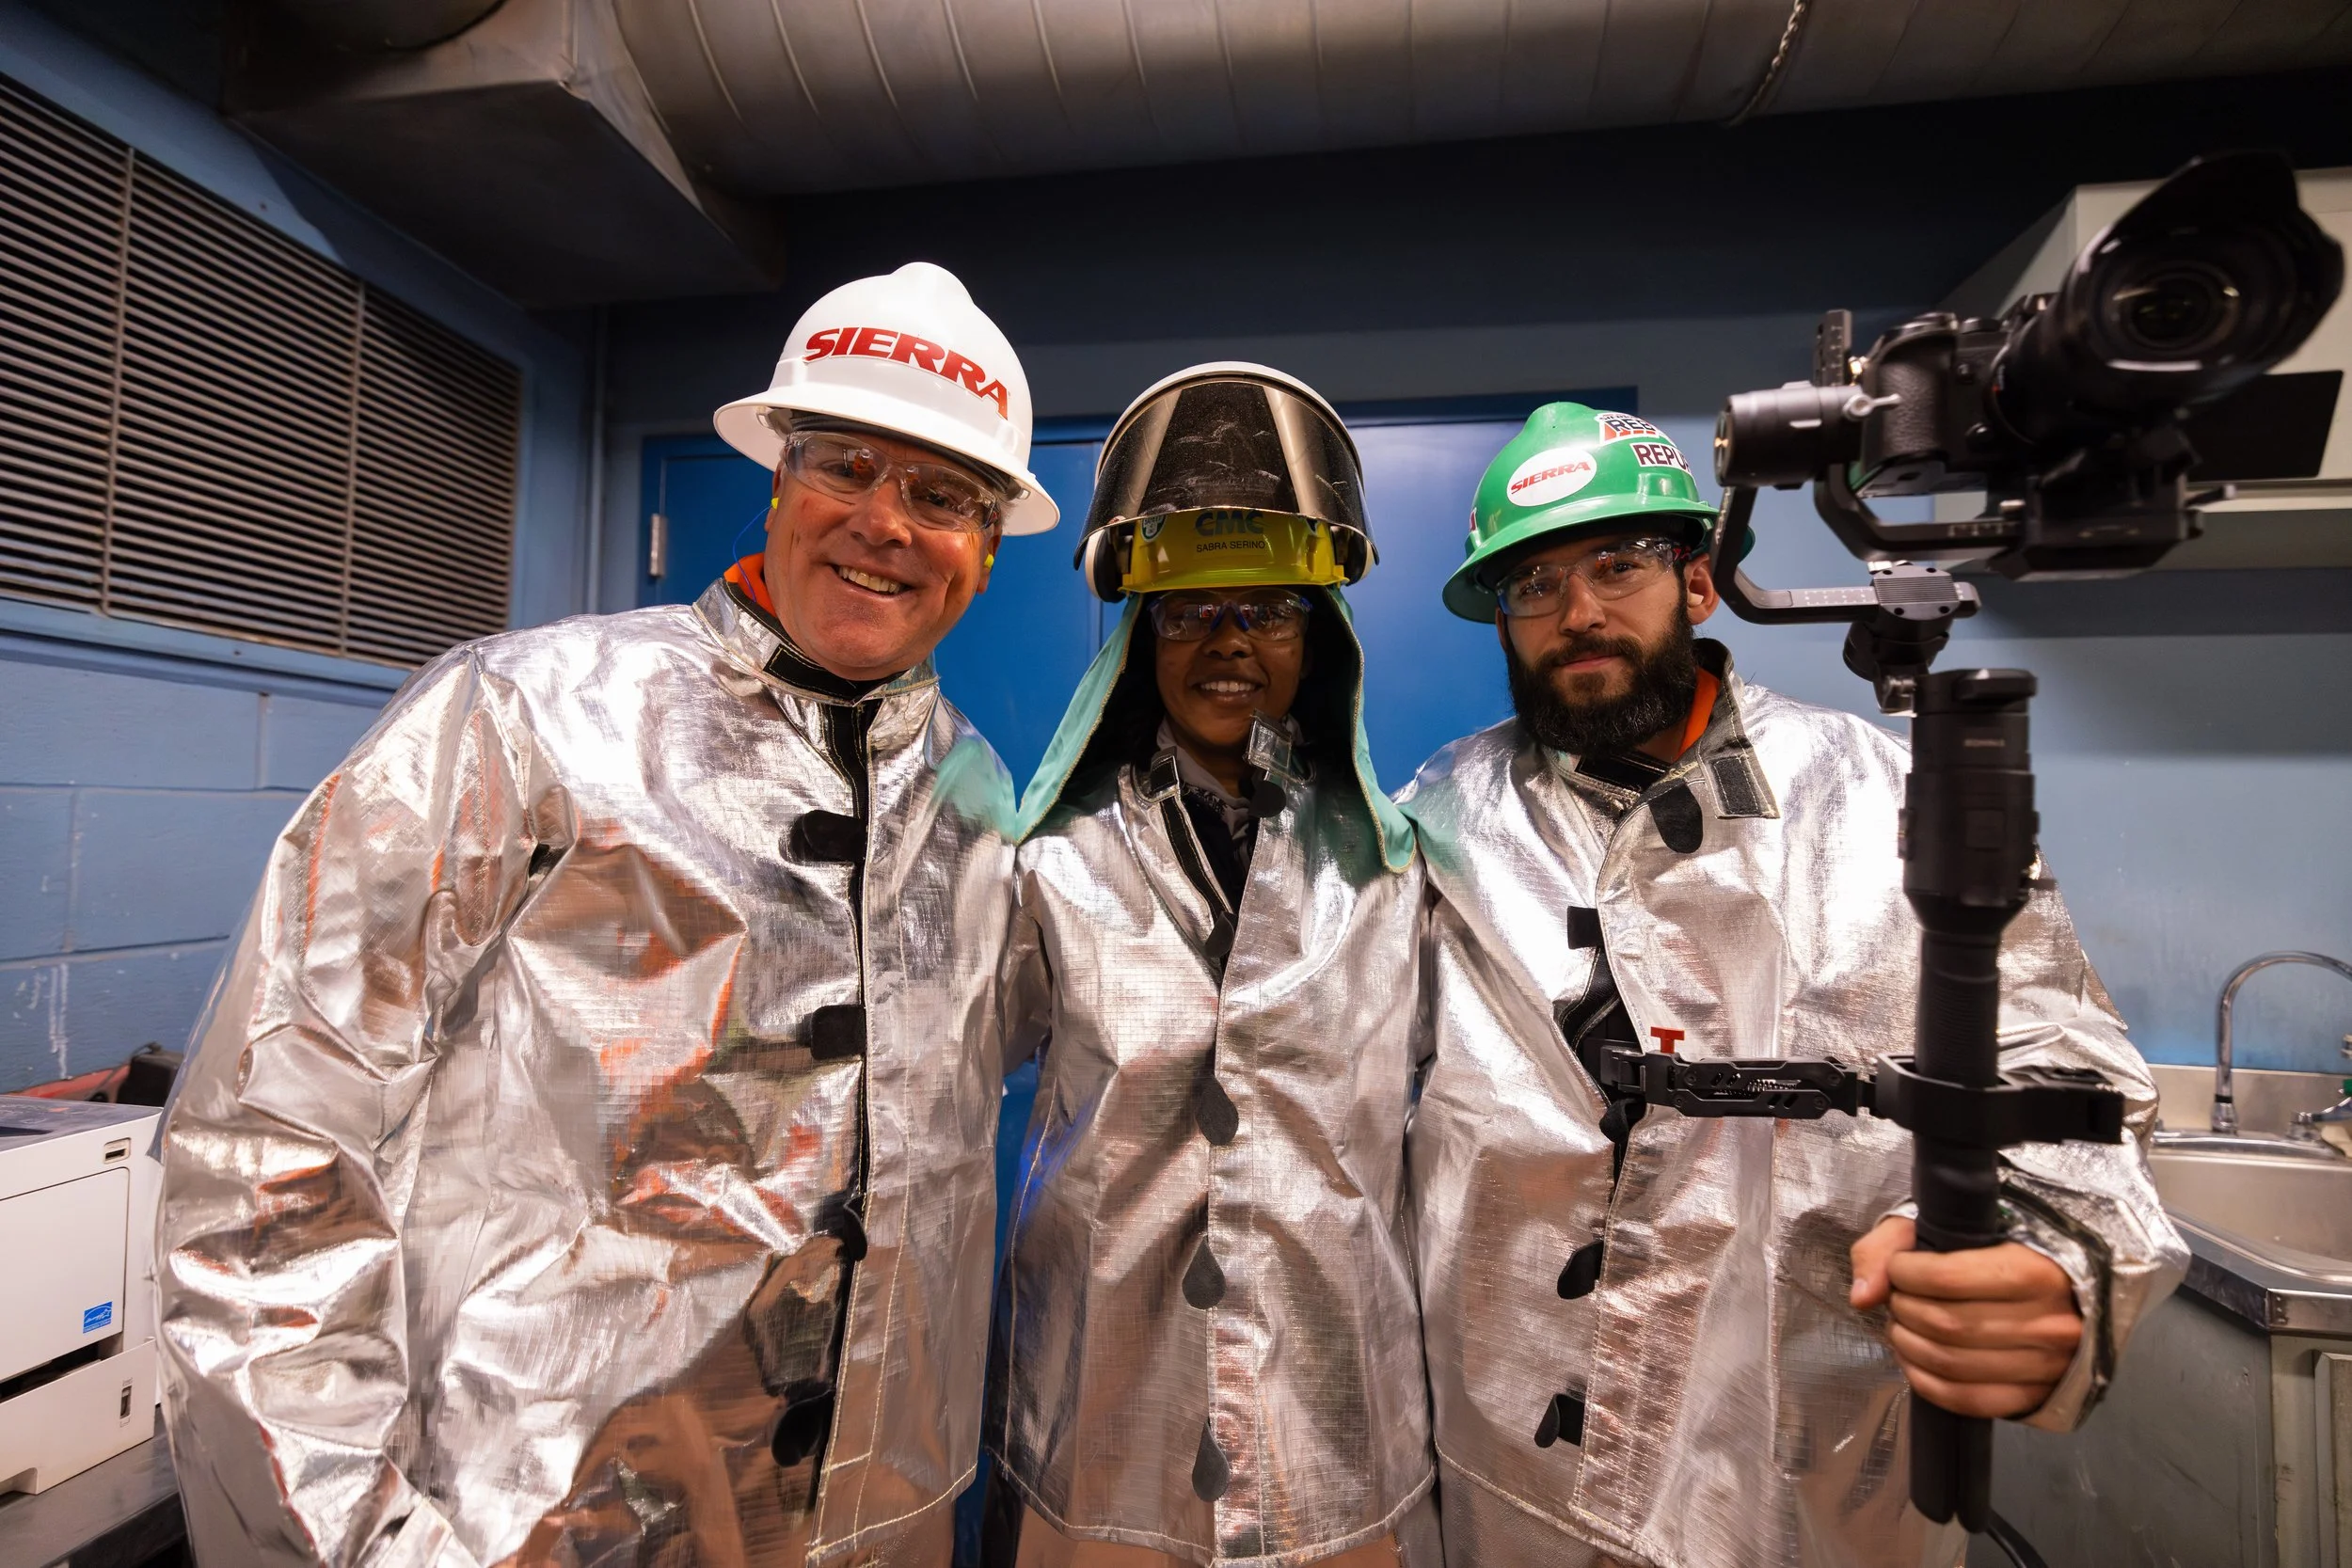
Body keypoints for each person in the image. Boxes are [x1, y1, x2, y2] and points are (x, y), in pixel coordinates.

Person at [155, 261, 1057, 1567]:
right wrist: (361, 1537)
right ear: (777, 479)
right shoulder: (519, 717)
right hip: (536, 1523)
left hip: (881, 1522)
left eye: (940, 494)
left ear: (984, 550)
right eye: (844, 466)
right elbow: (266, 1148)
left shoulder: (976, 801)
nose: (885, 521)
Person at [1395, 403, 2185, 1566]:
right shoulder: (1443, 812)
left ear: (1698, 581)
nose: (1578, 612)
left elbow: (2063, 1067)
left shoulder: (1883, 793)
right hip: (1506, 1467)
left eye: (1618, 562)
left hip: (1803, 1462)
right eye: (1534, 583)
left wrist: (2046, 1245)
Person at [982, 365, 1438, 1567]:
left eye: (1268, 611)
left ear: (1317, 635)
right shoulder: (1049, 865)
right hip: (1099, 1430)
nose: (1229, 643)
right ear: (1141, 637)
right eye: (1190, 613)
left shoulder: (1398, 875)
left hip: (1337, 1441)